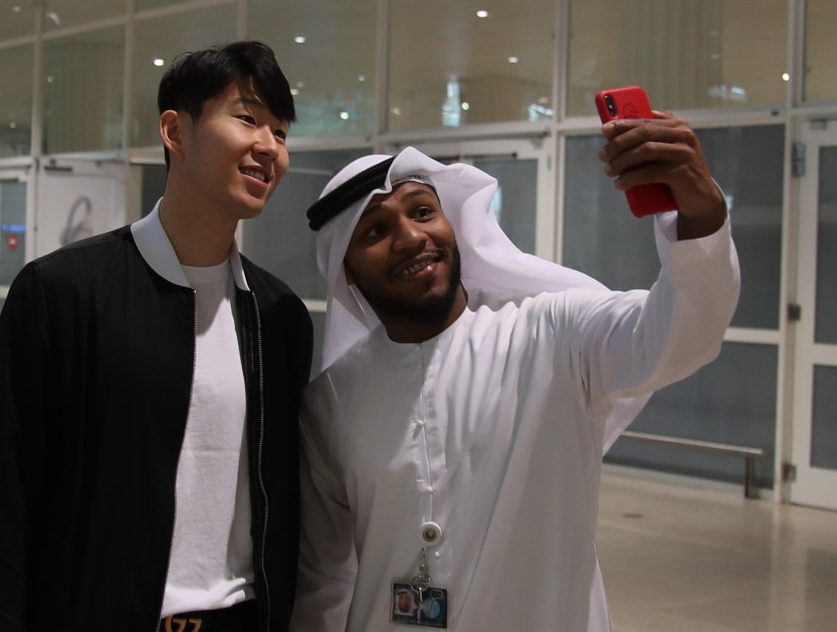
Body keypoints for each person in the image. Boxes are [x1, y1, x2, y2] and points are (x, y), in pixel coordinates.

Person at [290, 113, 740, 631]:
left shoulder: (553, 334)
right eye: (375, 230)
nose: (411, 237)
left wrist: (699, 208)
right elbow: (324, 576)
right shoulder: (331, 401)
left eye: (422, 212)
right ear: (346, 272)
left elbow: (681, 333)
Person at [0, 41, 314, 631]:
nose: (268, 146)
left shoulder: (278, 317)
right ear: (175, 130)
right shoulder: (65, 292)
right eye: (247, 118)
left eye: (281, 130)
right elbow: (0, 498)